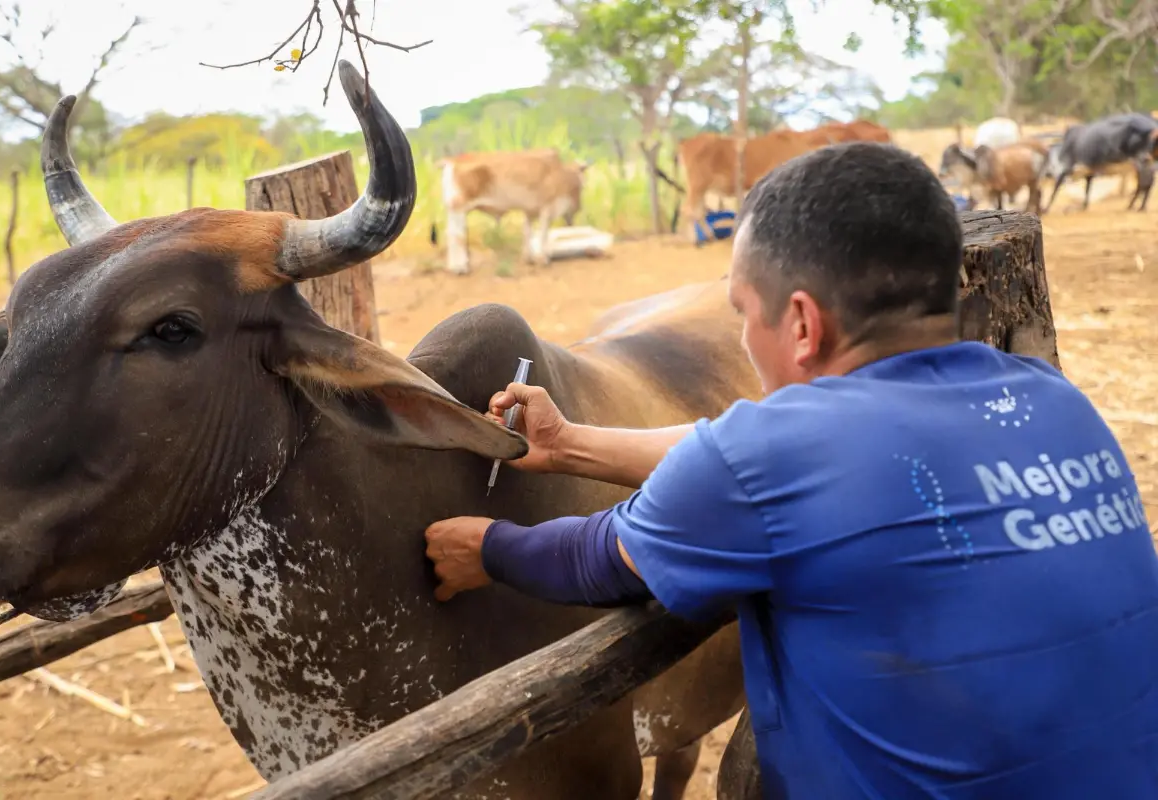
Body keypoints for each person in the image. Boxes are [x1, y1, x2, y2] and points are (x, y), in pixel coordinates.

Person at [424, 141, 1158, 799]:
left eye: (744, 313)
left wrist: (485, 548)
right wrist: (573, 445)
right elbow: (777, 462)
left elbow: (597, 559)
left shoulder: (779, 455)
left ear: (803, 325)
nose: (744, 338)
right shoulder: (1051, 397)